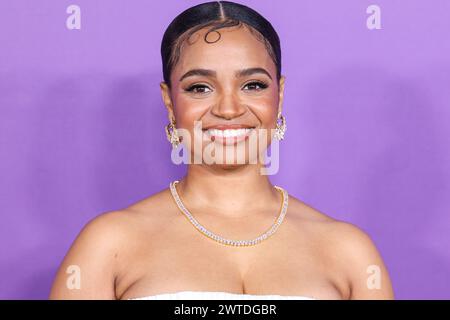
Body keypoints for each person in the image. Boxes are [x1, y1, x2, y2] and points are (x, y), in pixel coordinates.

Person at [49, 1, 394, 300]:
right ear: (170, 102)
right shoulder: (108, 245)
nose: (228, 109)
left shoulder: (349, 252)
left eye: (253, 85)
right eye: (200, 87)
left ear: (280, 95)